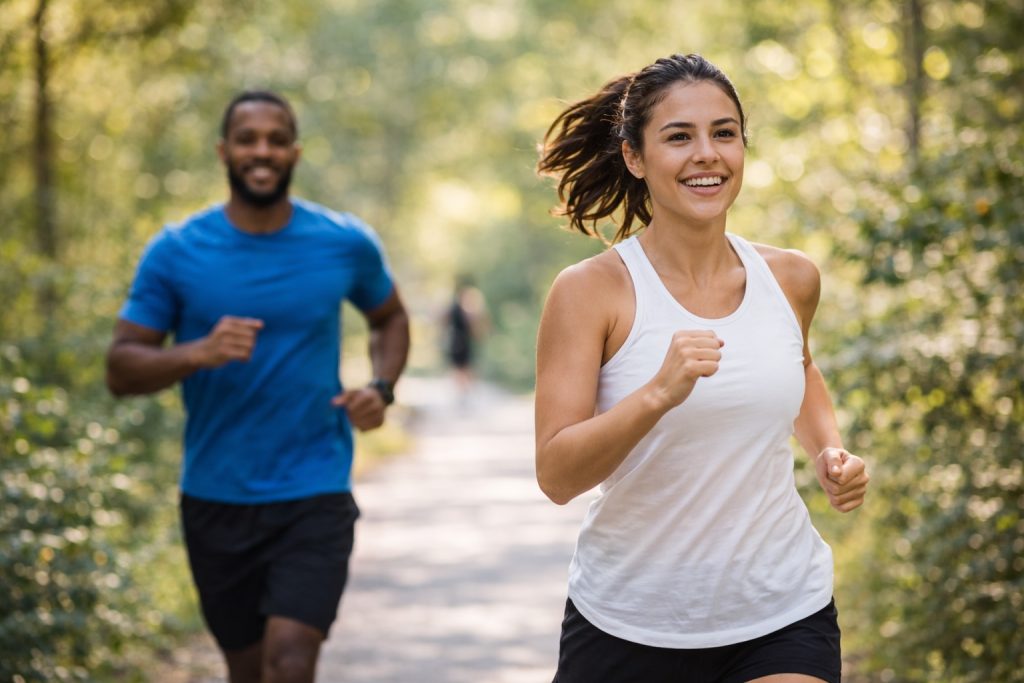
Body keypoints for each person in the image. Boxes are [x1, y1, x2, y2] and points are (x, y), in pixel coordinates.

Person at [533, 54, 869, 683]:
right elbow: (556, 474)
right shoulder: (591, 292)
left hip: (781, 607)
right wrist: (656, 394)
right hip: (627, 620)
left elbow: (799, 370)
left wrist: (830, 451)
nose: (707, 154)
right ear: (635, 157)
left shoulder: (790, 278)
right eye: (679, 137)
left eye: (724, 133)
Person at [106, 90, 410, 683]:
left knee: (290, 662)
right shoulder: (176, 251)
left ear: (295, 151)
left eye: (276, 139)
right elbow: (121, 367)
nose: (262, 151)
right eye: (248, 139)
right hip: (216, 497)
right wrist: (198, 351)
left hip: (314, 489)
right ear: (224, 151)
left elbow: (389, 317)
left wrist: (382, 386)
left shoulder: (343, 241)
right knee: (246, 670)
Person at [442, 276, 490, 402]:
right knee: (461, 367)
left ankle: (464, 390)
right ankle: (464, 391)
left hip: (460, 341)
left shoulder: (456, 307)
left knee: (462, 367)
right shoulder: (460, 308)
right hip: (459, 342)